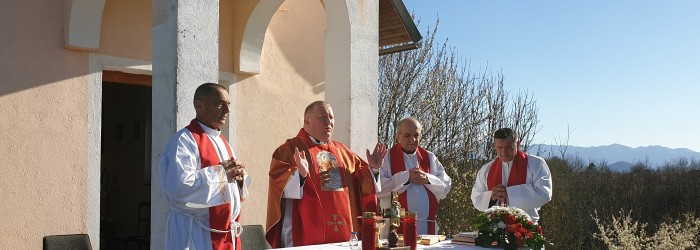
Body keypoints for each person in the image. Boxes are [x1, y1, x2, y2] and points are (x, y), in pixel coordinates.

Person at [265, 101, 387, 248]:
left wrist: (373, 169)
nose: (329, 122)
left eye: (331, 117)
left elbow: (362, 184)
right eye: (323, 117)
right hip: (304, 233)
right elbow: (278, 185)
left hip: (344, 232)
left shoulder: (343, 152)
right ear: (307, 121)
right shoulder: (289, 150)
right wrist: (301, 176)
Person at [160, 83, 251, 250]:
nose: (226, 110)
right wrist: (222, 174)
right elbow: (179, 188)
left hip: (225, 231)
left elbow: (233, 190)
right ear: (199, 105)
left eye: (228, 104)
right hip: (195, 232)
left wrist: (239, 178)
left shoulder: (224, 143)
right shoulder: (184, 141)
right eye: (220, 103)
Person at [377, 117, 452, 237]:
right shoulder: (386, 158)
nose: (412, 139)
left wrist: (428, 179)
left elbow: (446, 187)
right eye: (407, 135)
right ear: (398, 136)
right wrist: (406, 177)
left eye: (416, 135)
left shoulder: (429, 157)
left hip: (427, 228)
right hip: (395, 227)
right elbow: (378, 189)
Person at [470, 128, 552, 224]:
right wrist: (491, 197)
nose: (504, 152)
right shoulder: (486, 169)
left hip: (526, 226)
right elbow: (476, 198)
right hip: (495, 226)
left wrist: (509, 193)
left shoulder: (536, 164)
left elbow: (544, 193)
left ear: (517, 144)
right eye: (499, 147)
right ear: (494, 146)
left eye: (508, 147)